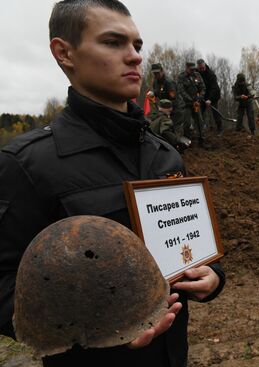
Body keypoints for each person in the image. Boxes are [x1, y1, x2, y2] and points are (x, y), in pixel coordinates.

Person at [0, 1, 224, 366]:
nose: (134, 57)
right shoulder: (26, 164)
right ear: (64, 52)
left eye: (137, 45)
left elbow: (192, 246)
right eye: (113, 42)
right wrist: (100, 327)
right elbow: (5, 284)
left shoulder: (165, 156)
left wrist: (214, 277)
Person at [175, 61, 207, 146]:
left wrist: (199, 98)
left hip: (196, 103)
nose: (193, 71)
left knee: (200, 122)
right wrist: (191, 100)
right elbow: (181, 91)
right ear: (186, 68)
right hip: (187, 104)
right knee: (187, 123)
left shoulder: (197, 75)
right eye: (191, 69)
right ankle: (187, 141)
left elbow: (203, 88)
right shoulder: (181, 77)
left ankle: (202, 141)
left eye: (194, 69)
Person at [196, 59, 222, 134]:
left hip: (212, 96)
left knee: (215, 113)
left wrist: (210, 99)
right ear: (198, 67)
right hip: (201, 97)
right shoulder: (195, 73)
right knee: (199, 113)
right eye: (200, 68)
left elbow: (214, 88)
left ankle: (219, 129)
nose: (202, 69)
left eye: (203, 68)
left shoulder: (211, 74)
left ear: (205, 65)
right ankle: (200, 130)